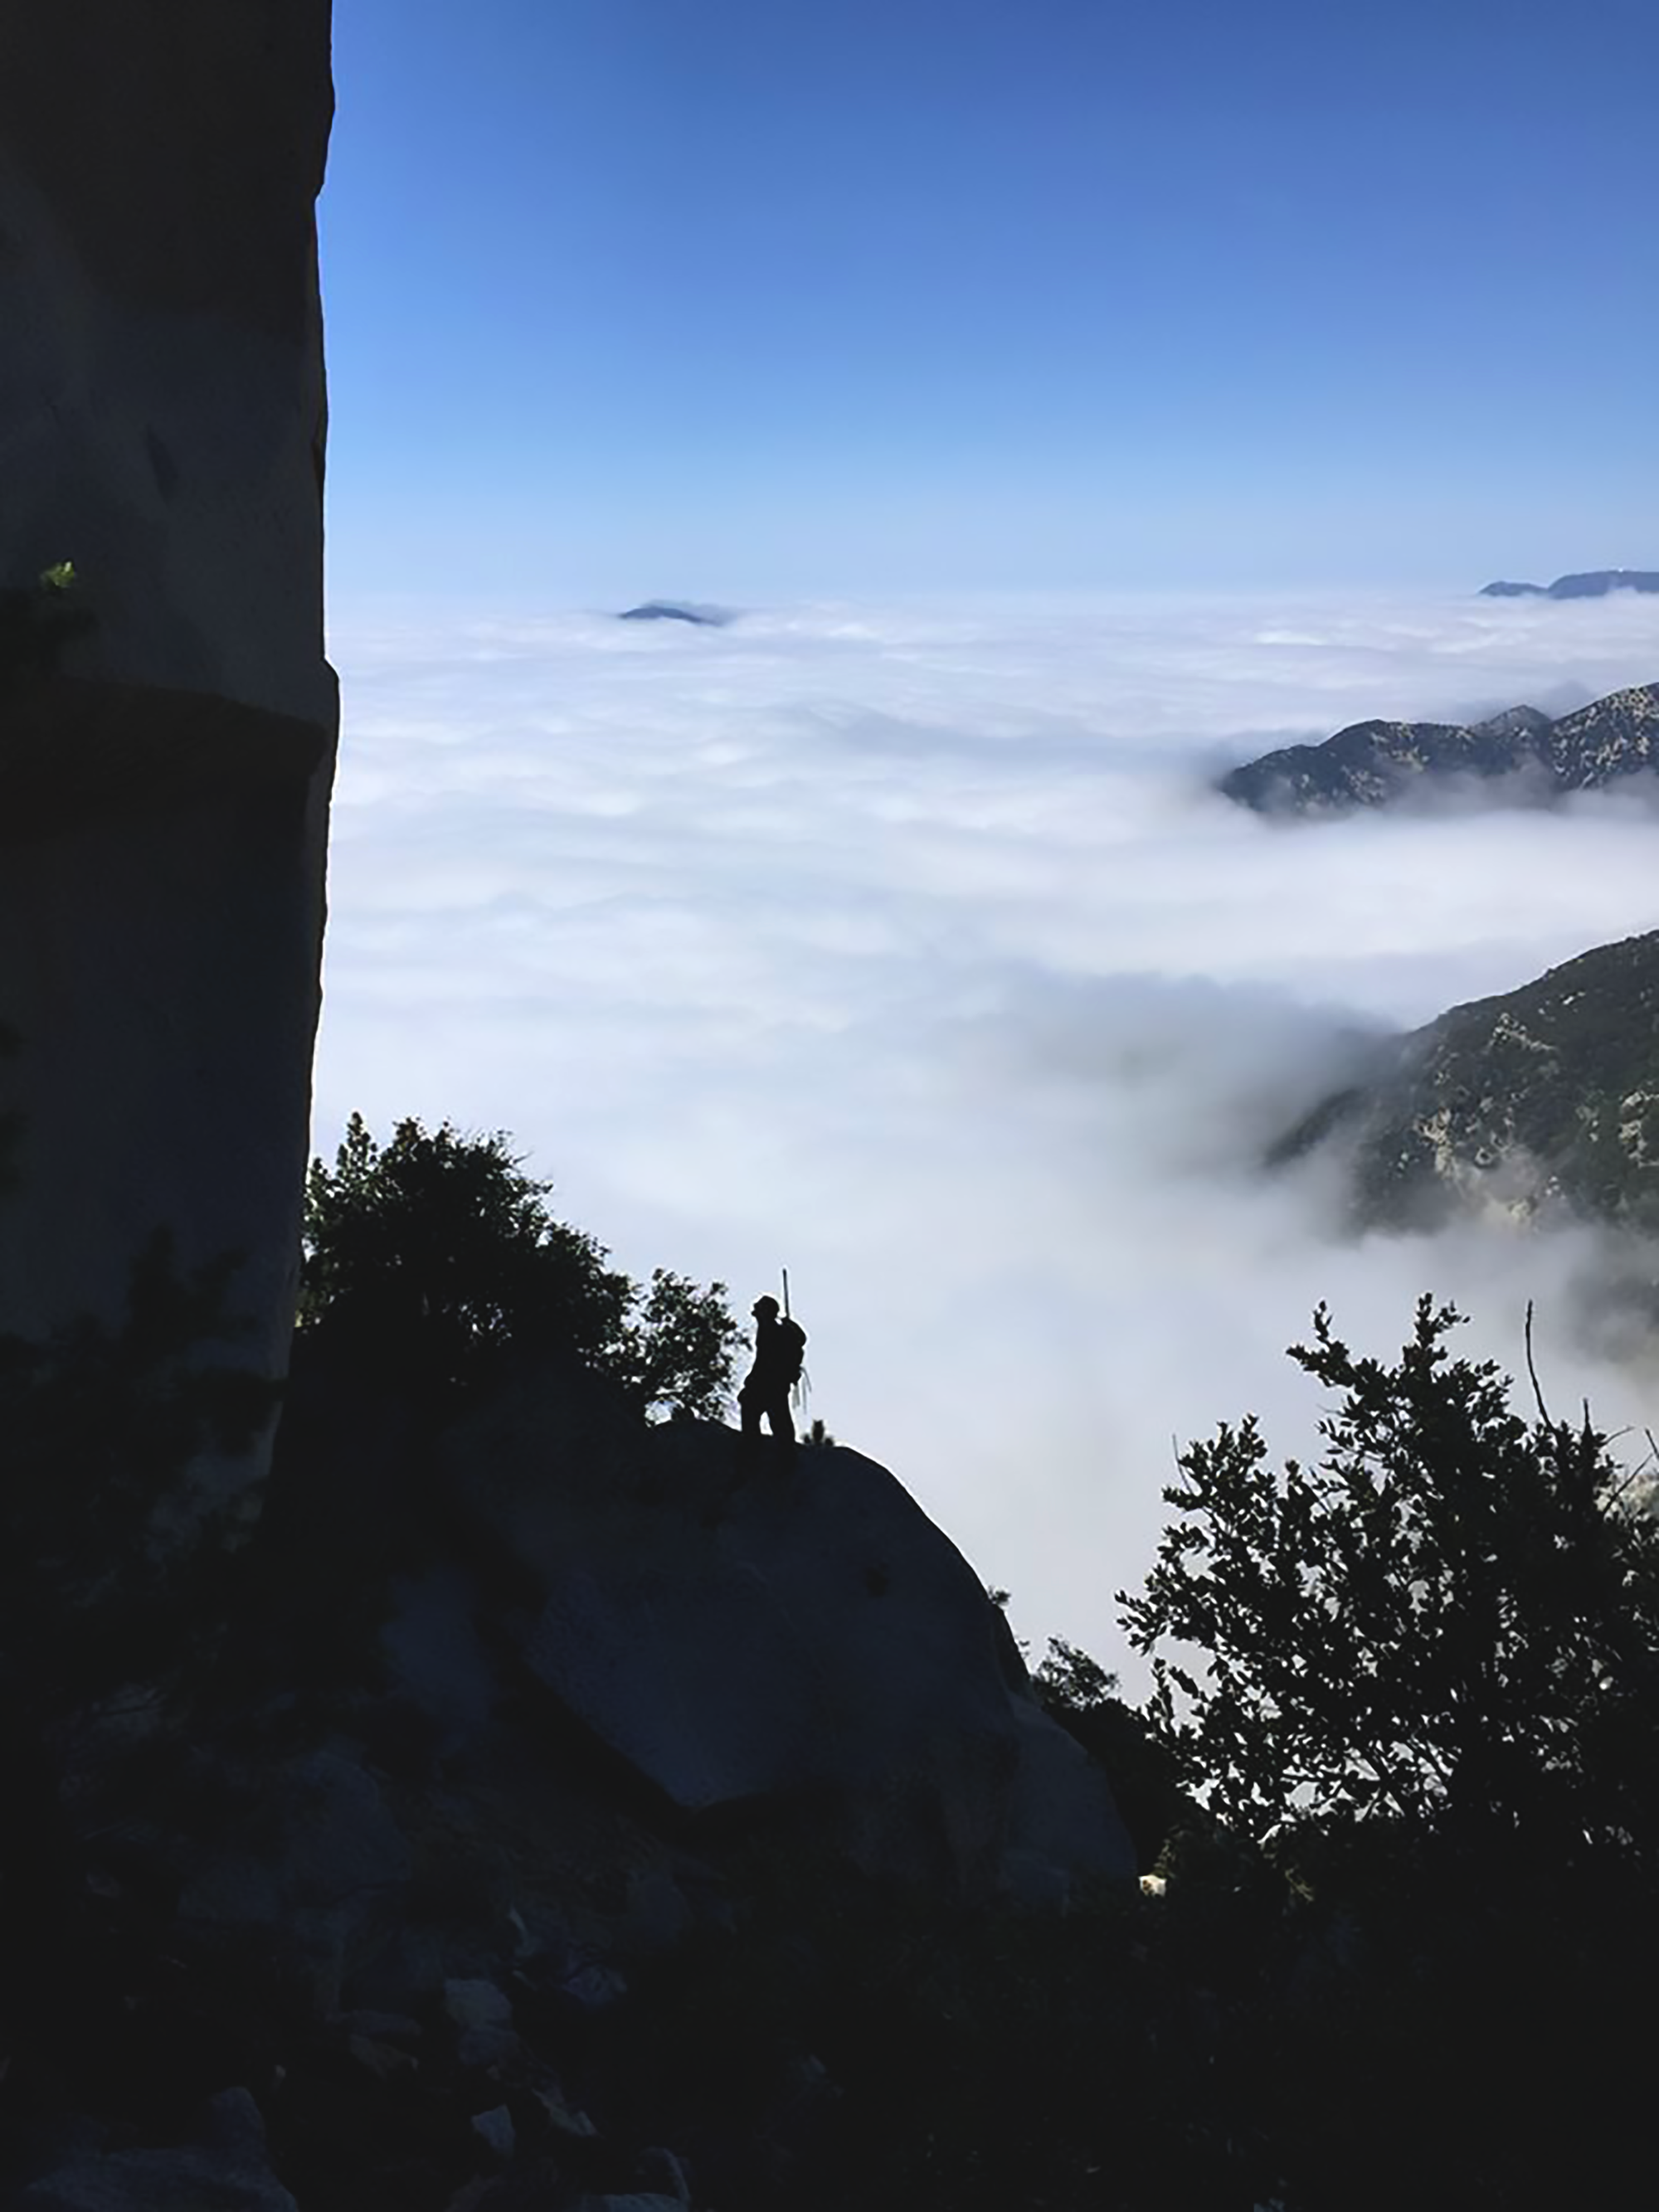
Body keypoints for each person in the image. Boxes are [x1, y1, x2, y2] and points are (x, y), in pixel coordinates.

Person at [738, 1294, 805, 1464]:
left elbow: (765, 1360)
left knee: (769, 1415)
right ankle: (780, 1452)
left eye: (759, 1310)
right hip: (773, 1384)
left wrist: (752, 1380)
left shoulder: (770, 1331)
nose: (756, 1313)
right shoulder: (772, 1330)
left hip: (770, 1384)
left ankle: (759, 1451)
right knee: (777, 1418)